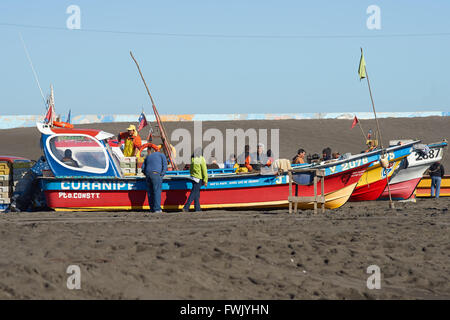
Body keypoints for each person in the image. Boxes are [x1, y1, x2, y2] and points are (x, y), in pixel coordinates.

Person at [141, 147, 167, 213]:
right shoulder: (162, 155)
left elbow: (143, 168)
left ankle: (152, 208)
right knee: (157, 192)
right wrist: (162, 175)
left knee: (150, 192)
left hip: (148, 174)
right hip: (156, 174)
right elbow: (165, 166)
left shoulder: (148, 156)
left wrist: (146, 174)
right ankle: (157, 209)